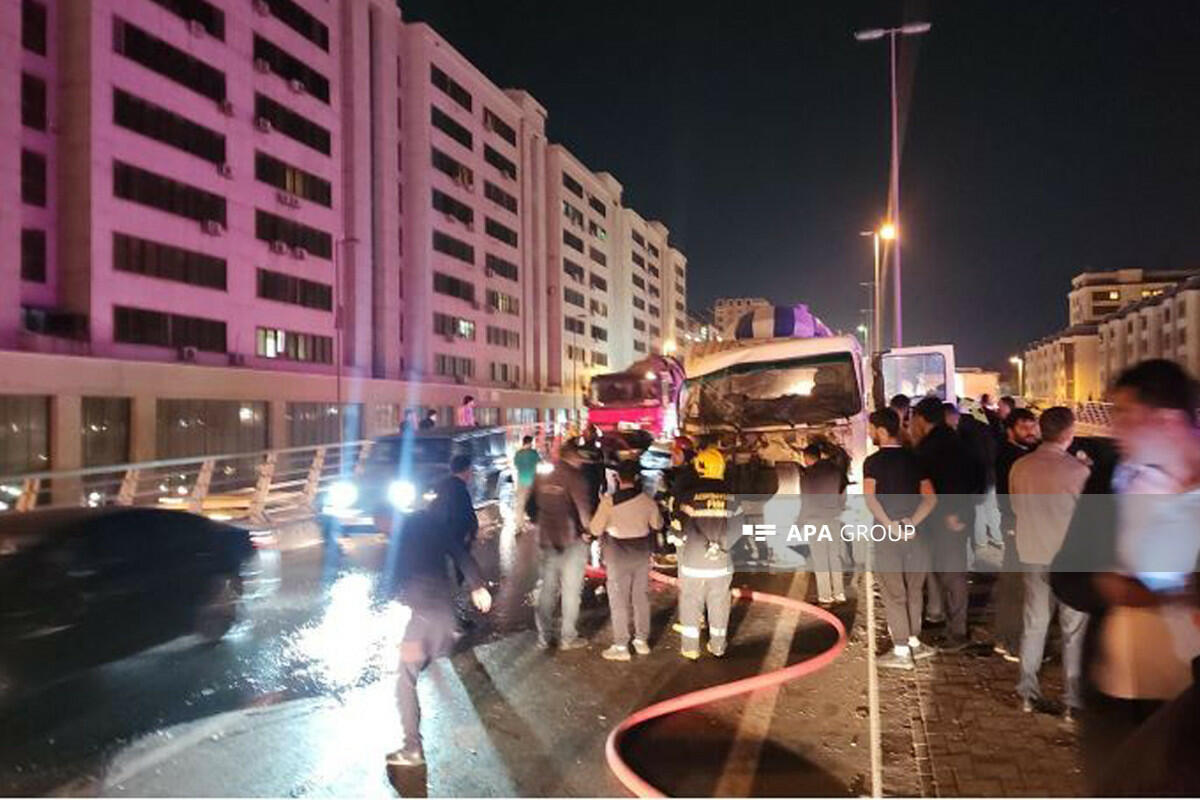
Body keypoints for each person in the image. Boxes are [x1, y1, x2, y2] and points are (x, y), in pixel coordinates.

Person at [1052, 359, 1200, 787]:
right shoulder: (1110, 481)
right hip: (1117, 702)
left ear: (1168, 421)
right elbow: (1066, 574)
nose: (1114, 430)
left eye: (1125, 415)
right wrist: (1107, 588)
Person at [388, 481, 492, 767]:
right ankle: (413, 743)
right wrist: (477, 585)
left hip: (425, 620)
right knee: (412, 667)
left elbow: (398, 581)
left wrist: (398, 597)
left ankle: (412, 748)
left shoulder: (402, 535)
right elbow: (459, 553)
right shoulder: (430, 525)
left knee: (404, 679)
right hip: (441, 617)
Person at [1010, 406, 1090, 717]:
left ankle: (1027, 694)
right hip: (1070, 559)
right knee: (1074, 631)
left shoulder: (1020, 466)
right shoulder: (1079, 472)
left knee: (1034, 625)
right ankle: (1073, 701)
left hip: (1032, 553)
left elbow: (1016, 507)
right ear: (1069, 433)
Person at [864, 408, 938, 669]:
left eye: (871, 429)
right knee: (915, 589)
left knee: (894, 591)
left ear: (881, 431)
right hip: (916, 533)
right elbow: (931, 499)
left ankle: (901, 650)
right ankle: (915, 641)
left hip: (887, 536)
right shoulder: (915, 458)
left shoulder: (873, 463)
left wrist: (890, 526)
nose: (870, 433)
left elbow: (870, 499)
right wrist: (910, 523)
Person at [912, 396, 978, 651]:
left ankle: (957, 632)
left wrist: (953, 512)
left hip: (946, 518)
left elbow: (952, 480)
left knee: (952, 574)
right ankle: (951, 624)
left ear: (920, 419)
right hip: (951, 515)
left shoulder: (936, 446)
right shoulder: (954, 439)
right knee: (948, 572)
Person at [589, 459, 663, 661]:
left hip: (618, 555)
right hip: (641, 554)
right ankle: (641, 641)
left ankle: (621, 646)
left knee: (619, 600)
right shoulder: (647, 501)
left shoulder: (609, 502)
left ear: (618, 478)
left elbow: (595, 529)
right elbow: (657, 524)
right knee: (641, 598)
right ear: (637, 477)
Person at [674, 447, 743, 659]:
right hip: (721, 562)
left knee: (690, 602)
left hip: (693, 562)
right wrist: (720, 547)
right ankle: (718, 646)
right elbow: (739, 530)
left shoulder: (689, 497)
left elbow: (678, 529)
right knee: (719, 603)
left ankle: (690, 648)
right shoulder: (732, 498)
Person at [525, 441, 594, 650]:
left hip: (546, 539)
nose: (582, 462)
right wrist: (589, 532)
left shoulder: (543, 475)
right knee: (571, 591)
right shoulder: (575, 477)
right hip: (571, 542)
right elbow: (584, 511)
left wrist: (541, 521)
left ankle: (544, 637)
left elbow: (530, 506)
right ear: (573, 457)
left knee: (547, 589)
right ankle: (568, 638)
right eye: (580, 458)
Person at [992, 407, 1039, 661]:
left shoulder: (1023, 453)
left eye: (1033, 427)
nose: (1031, 432)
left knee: (1015, 581)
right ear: (1010, 431)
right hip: (1016, 524)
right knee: (1017, 584)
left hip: (1018, 524)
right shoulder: (1011, 457)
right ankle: (1012, 641)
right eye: (1024, 428)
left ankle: (1005, 638)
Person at [947, 401, 1001, 553]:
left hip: (974, 478)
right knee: (991, 508)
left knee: (978, 510)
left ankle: (980, 540)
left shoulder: (962, 434)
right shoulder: (986, 430)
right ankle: (998, 537)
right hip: (990, 474)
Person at [799, 443, 848, 605]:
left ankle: (825, 595)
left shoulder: (807, 475)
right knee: (834, 556)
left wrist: (799, 523)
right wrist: (838, 510)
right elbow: (843, 495)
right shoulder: (835, 471)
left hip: (815, 520)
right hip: (833, 519)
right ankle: (839, 593)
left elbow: (805, 502)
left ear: (807, 458)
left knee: (820, 559)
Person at [512, 435, 540, 530]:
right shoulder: (533, 453)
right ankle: (532, 521)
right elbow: (539, 462)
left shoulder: (518, 454)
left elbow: (516, 464)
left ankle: (519, 525)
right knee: (532, 501)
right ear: (530, 443)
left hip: (521, 480)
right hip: (532, 480)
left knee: (520, 503)